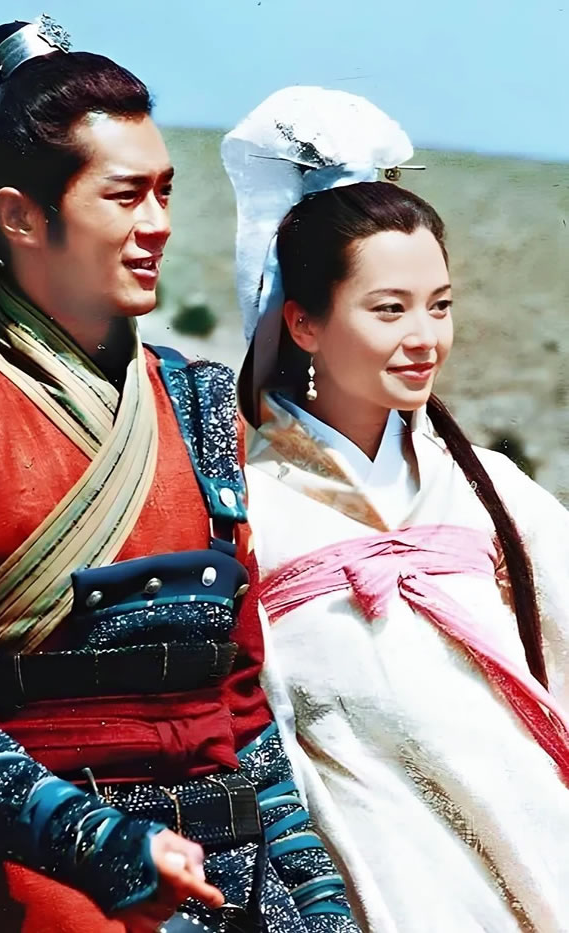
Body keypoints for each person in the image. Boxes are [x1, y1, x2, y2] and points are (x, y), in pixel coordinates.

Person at [0, 23, 358, 933]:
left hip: (237, 866)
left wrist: (317, 894)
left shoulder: (200, 401)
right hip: (43, 880)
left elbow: (240, 698)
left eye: (165, 190)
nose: (159, 223)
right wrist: (102, 844)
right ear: (22, 217)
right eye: (126, 195)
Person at [222, 86, 569, 932]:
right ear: (303, 322)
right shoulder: (246, 513)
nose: (425, 338)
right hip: (374, 895)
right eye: (390, 309)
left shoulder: (488, 489)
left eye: (439, 305)